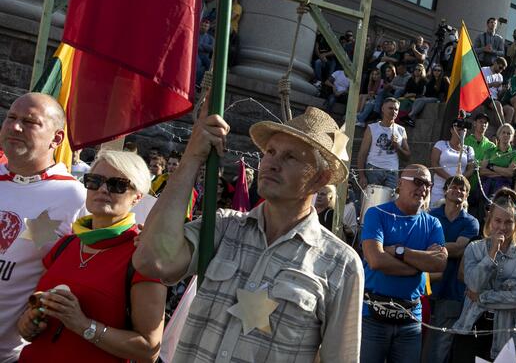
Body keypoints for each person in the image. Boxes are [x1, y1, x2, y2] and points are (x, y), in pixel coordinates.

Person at [133, 107, 364, 362]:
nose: (272, 164)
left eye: (290, 157)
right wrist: (192, 156)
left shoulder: (341, 265)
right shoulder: (221, 226)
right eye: (270, 152)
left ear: (321, 178)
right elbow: (150, 260)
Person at [16, 150, 165, 362]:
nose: (103, 189)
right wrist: (28, 322)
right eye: (94, 181)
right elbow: (29, 319)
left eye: (117, 184)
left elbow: (149, 349)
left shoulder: (142, 255)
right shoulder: (66, 244)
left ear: (137, 197)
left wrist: (83, 325)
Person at [0, 93, 88, 362]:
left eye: (29, 122)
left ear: (57, 139)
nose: (15, 126)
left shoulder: (74, 196)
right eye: (11, 118)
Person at [360, 165, 448, 363]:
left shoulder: (432, 224)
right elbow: (375, 260)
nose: (423, 188)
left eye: (428, 184)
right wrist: (418, 267)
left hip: (410, 321)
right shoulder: (377, 214)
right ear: (400, 183)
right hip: (373, 318)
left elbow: (440, 264)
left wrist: (399, 251)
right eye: (417, 181)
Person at [453, 188, 516, 361]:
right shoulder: (474, 249)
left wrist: (482, 297)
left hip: (506, 336)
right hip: (472, 328)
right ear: (489, 219)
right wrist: (491, 254)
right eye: (497, 221)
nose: (502, 227)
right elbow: (473, 285)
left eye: (508, 222)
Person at [423, 176, 479, 363]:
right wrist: (444, 248)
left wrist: (434, 248)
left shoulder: (471, 222)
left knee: (439, 349)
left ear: (467, 195)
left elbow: (459, 248)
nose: (458, 191)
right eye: (454, 186)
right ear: (445, 190)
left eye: (462, 189)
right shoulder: (430, 215)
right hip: (425, 288)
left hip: (452, 292)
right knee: (418, 340)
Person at [357, 98, 410, 190]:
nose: (393, 111)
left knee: (389, 202)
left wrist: (397, 146)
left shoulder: (401, 130)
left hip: (392, 172)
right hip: (373, 169)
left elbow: (407, 156)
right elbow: (362, 153)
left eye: (396, 109)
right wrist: (362, 176)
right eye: (390, 108)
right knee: (371, 202)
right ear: (383, 109)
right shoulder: (372, 128)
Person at [429, 122, 475, 208]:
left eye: (464, 130)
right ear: (451, 130)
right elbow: (434, 164)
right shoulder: (440, 144)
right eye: (459, 129)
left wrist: (459, 180)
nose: (461, 132)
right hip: (440, 189)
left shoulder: (469, 149)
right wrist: (450, 179)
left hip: (459, 190)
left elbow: (471, 169)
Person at [479, 124, 516, 197]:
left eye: (509, 133)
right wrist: (502, 173)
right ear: (499, 134)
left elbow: (511, 173)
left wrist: (492, 167)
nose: (505, 135)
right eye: (503, 132)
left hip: (503, 190)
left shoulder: (515, 154)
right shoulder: (489, 151)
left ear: (512, 137)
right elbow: (482, 171)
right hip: (486, 187)